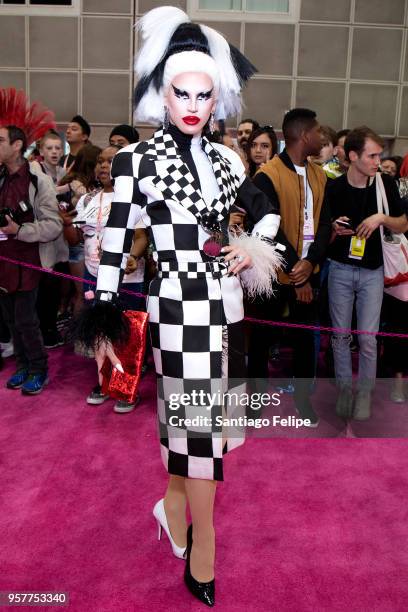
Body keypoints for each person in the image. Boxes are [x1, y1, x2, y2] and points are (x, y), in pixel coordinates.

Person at [76, 6, 282, 607]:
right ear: (160, 95)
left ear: (216, 98)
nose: (192, 104)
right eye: (180, 92)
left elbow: (235, 226)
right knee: (201, 421)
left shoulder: (230, 160)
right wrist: (105, 304)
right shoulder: (135, 162)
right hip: (174, 305)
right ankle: (204, 543)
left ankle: (170, 506)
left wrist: (249, 251)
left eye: (203, 94)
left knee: (197, 417)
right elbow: (115, 242)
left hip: (221, 305)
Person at [252, 108, 332, 426]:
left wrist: (310, 264)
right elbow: (268, 228)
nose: (322, 137)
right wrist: (297, 273)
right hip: (273, 274)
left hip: (307, 273)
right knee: (260, 341)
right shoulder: (267, 175)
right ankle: (255, 404)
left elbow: (324, 225)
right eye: (317, 132)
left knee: (304, 345)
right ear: (302, 135)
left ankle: (302, 401)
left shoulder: (320, 175)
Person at [327, 126, 407, 420]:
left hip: (374, 272)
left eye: (379, 155)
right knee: (339, 336)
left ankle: (365, 392)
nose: (377, 160)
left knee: (369, 339)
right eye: (372, 155)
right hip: (339, 269)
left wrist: (381, 217)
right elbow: (324, 231)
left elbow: (403, 224)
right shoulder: (334, 187)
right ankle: (345, 390)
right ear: (353, 156)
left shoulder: (385, 184)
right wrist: (334, 230)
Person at [63, 145, 146, 413]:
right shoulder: (87, 200)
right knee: (100, 330)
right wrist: (66, 224)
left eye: (111, 161)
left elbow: (142, 236)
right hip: (93, 273)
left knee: (128, 333)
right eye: (100, 161)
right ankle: (103, 381)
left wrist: (132, 257)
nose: (103, 166)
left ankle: (125, 388)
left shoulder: (138, 198)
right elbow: (76, 239)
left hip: (128, 276)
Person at [0, 125, 63, 394]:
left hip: (29, 260)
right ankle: (23, 366)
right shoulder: (1, 177)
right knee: (10, 320)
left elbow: (53, 225)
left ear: (16, 146)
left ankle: (39, 369)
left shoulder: (38, 180)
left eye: (0, 140)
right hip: (3, 261)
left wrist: (20, 230)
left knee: (26, 319)